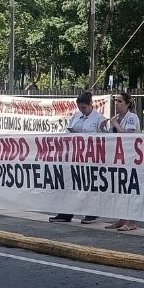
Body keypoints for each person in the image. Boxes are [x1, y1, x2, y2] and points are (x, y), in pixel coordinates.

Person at [49, 91, 107, 224]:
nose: (82, 110)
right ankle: (66, 212)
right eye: (80, 107)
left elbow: (104, 138)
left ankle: (91, 213)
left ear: (90, 105)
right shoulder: (76, 115)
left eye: (84, 108)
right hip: (75, 155)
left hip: (91, 156)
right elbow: (68, 130)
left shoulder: (99, 118)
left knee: (89, 185)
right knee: (70, 183)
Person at [104, 92, 141, 232]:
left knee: (130, 188)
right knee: (120, 189)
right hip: (118, 157)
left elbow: (128, 135)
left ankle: (132, 221)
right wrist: (105, 126)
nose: (117, 104)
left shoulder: (132, 118)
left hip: (131, 157)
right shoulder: (117, 118)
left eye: (120, 101)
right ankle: (122, 219)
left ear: (127, 104)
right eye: (116, 101)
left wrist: (115, 124)